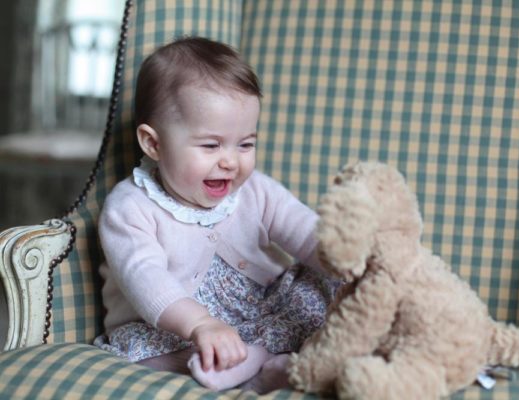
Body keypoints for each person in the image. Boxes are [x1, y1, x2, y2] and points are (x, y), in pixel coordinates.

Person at [93, 36, 339, 393]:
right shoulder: (130, 207)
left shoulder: (255, 190)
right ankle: (252, 367)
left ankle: (276, 357)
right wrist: (201, 325)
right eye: (211, 145)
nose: (230, 161)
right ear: (154, 143)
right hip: (176, 324)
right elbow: (145, 277)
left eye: (246, 144)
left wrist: (345, 260)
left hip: (262, 304)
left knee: (325, 288)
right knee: (144, 352)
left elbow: (304, 230)